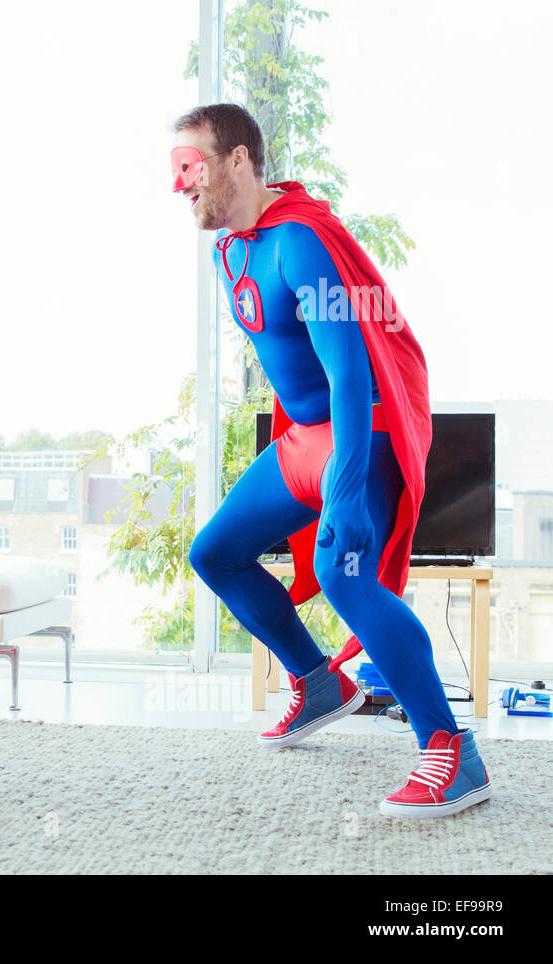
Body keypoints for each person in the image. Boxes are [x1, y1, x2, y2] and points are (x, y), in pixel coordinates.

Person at [171, 103, 489, 818]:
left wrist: (345, 489)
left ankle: (452, 752)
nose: (180, 185)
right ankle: (317, 684)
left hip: (359, 432)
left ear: (240, 160)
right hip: (305, 438)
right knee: (216, 553)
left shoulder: (302, 243)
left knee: (343, 575)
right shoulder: (231, 247)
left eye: (191, 165)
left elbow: (350, 374)